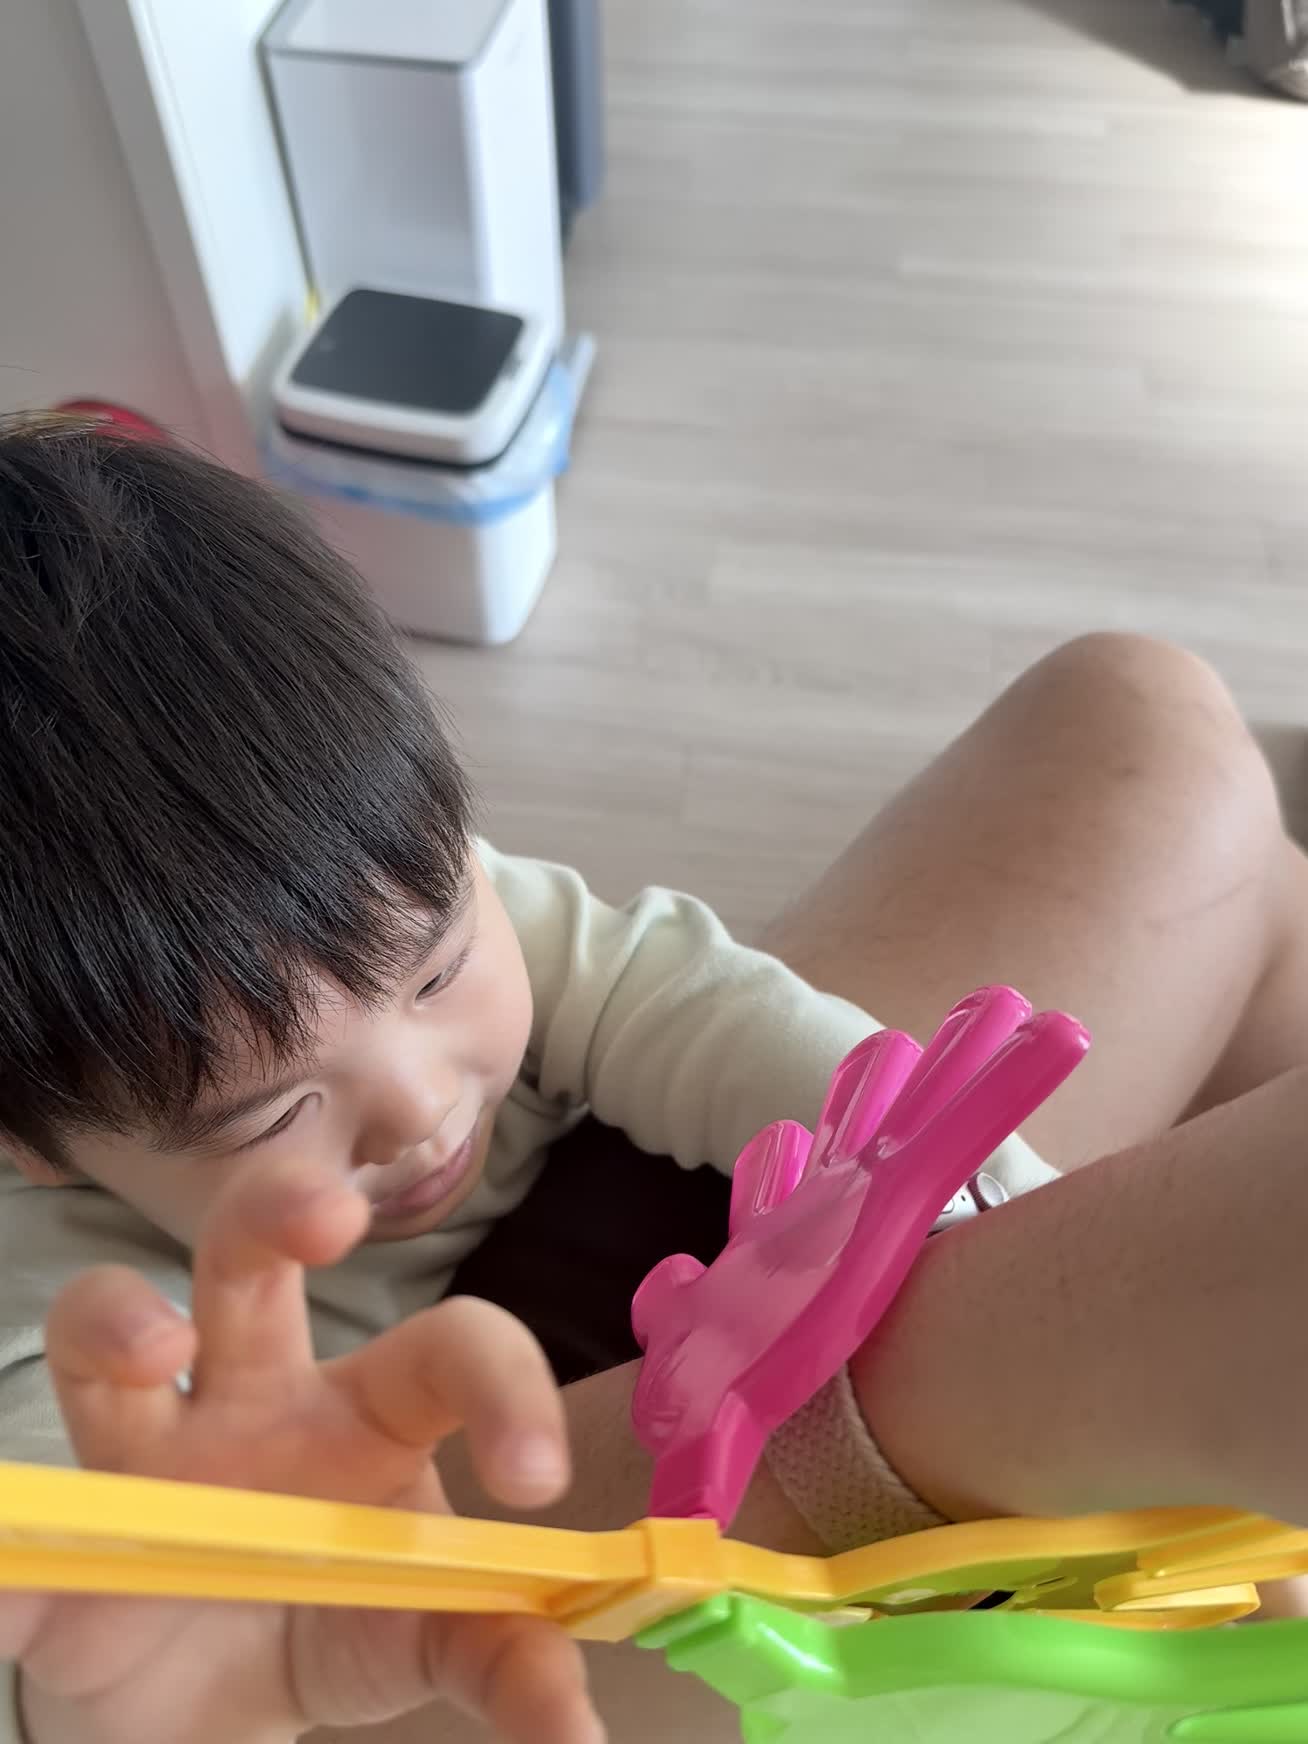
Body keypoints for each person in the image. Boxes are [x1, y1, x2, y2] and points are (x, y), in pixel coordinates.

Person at [2, 415, 1308, 1744]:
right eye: (278, 1112)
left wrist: (996, 1210)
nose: (422, 1104)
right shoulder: (62, 1327)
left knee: (1139, 708)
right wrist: (141, 1652)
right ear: (30, 1149)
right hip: (426, 1570)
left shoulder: (367, 909)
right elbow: (76, 1632)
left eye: (443, 972)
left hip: (598, 1291)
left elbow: (711, 1013)